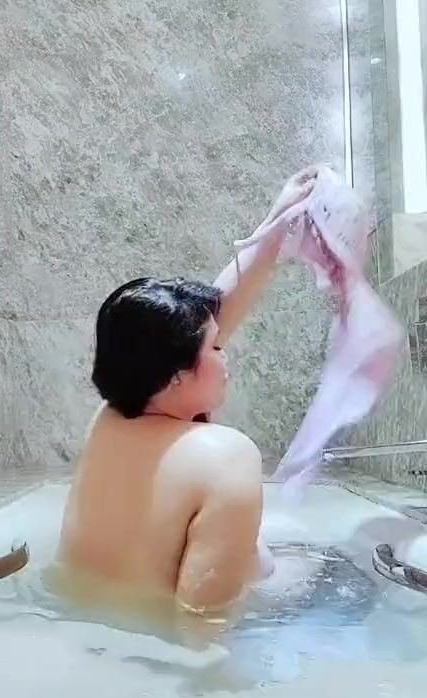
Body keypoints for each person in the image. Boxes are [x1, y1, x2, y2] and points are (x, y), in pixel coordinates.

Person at [58, 167, 318, 614]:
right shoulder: (226, 456)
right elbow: (203, 619)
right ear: (176, 374)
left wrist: (274, 225)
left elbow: (198, 324)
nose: (225, 352)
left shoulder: (110, 419)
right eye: (215, 347)